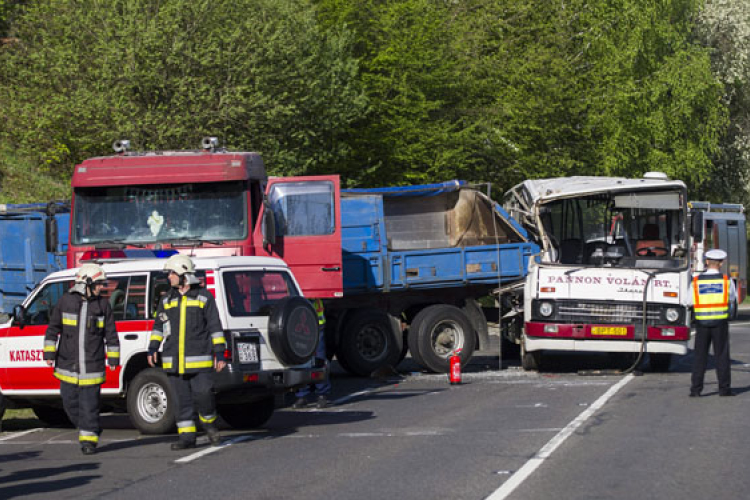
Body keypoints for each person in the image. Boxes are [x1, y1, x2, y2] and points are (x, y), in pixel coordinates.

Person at [147, 254, 226, 450]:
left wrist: (220, 353)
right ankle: (187, 438)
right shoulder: (167, 300)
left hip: (199, 361)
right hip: (174, 361)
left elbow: (215, 327)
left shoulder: (204, 297)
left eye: (173, 273)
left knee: (204, 395)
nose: (169, 277)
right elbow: (158, 326)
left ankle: (209, 424)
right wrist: (153, 348)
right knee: (182, 402)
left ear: (184, 275)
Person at [44, 263, 119, 455]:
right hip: (67, 365)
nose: (102, 287)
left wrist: (113, 359)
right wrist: (49, 354)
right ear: (86, 282)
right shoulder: (65, 302)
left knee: (90, 405)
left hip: (92, 365)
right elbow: (53, 329)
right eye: (99, 284)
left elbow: (111, 334)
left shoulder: (102, 305)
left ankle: (89, 440)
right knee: (69, 403)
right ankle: (89, 427)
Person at [689, 249, 736, 397]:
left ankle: (696, 390)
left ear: (707, 262)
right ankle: (724, 389)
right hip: (720, 323)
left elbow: (687, 301)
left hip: (702, 324)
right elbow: (732, 299)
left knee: (700, 357)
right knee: (721, 355)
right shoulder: (726, 280)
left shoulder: (696, 281)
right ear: (721, 263)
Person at [292, 298, 331, 409]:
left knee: (319, 360)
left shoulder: (312, 285)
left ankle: (322, 395)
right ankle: (302, 396)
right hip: (301, 326)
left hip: (317, 325)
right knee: (302, 360)